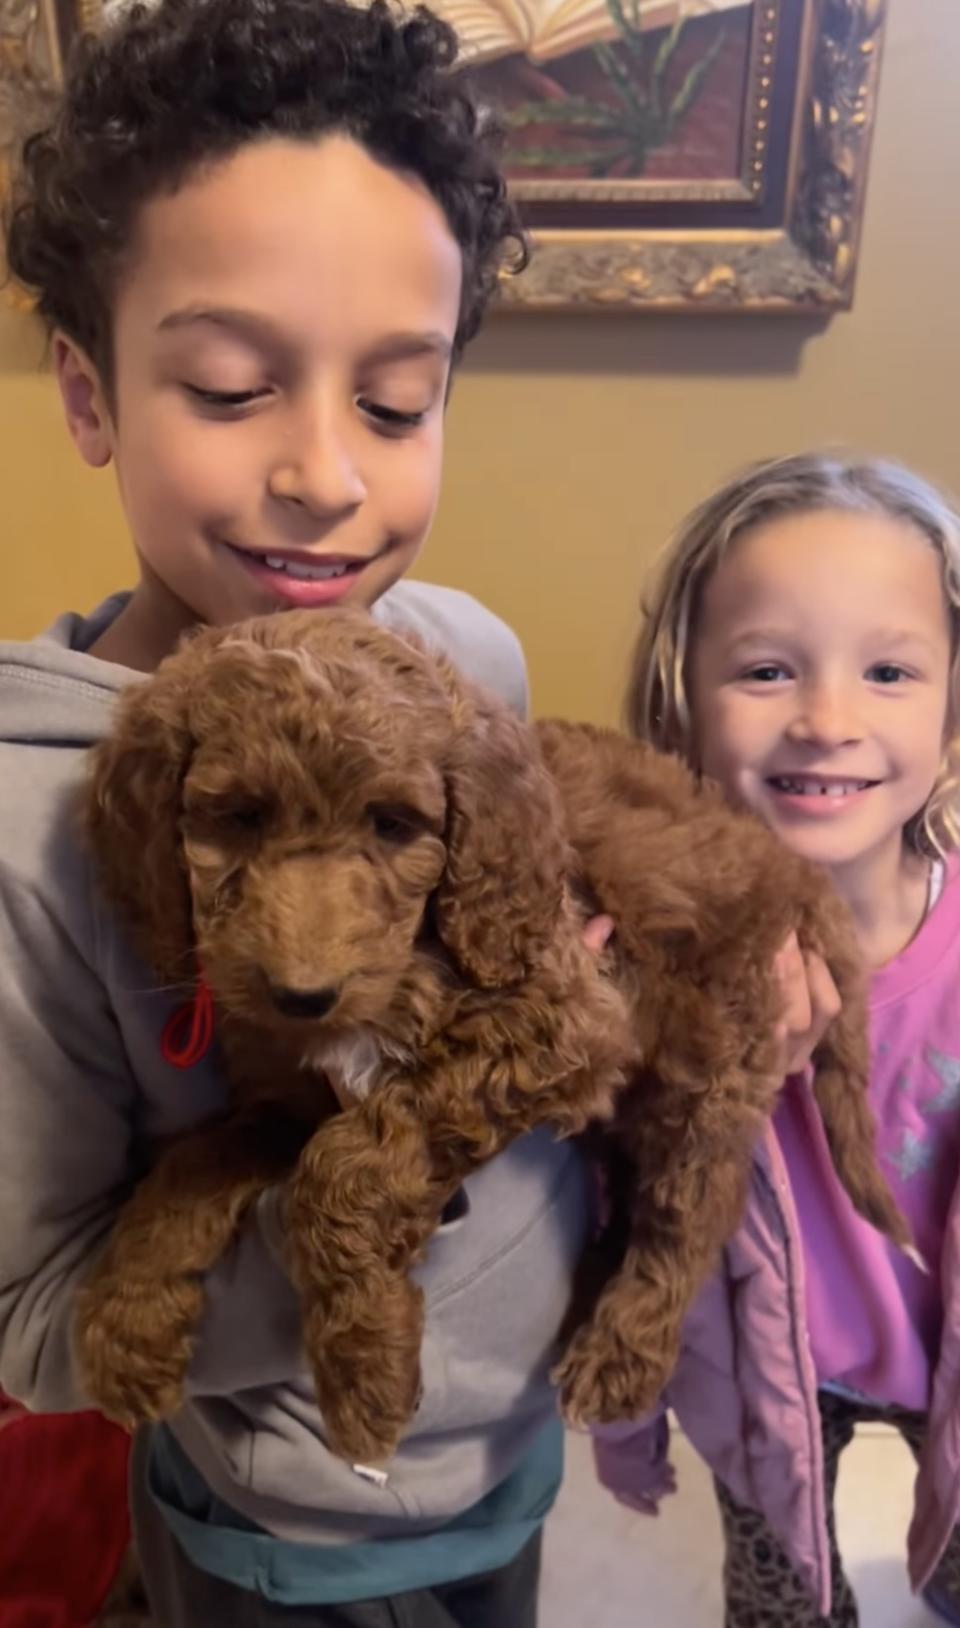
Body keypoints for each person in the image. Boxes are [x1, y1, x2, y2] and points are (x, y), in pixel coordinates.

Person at [0, 3, 593, 1622]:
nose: (327, 470)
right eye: (231, 384)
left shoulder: (465, 659)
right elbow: (45, 1318)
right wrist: (372, 1207)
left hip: (514, 1454)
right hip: (287, 1522)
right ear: (91, 392)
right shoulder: (28, 837)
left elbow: (524, 958)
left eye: (397, 404)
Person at [595, 450, 960, 1626]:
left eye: (891, 670)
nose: (827, 720)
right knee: (783, 1598)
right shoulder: (639, 959)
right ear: (680, 708)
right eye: (765, 668)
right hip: (761, 1370)